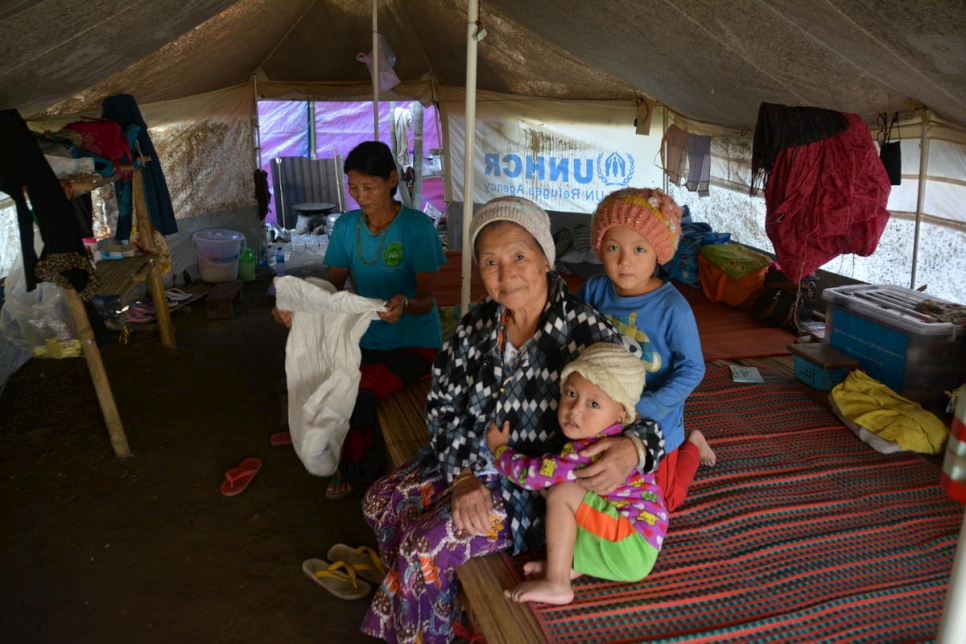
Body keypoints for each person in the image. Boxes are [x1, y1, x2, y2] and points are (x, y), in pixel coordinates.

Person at [360, 196, 660, 644]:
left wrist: (632, 449)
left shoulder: (587, 331)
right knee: (380, 501)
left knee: (426, 545)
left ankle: (426, 629)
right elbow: (442, 402)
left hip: (534, 487)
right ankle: (425, 606)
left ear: (544, 258)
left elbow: (644, 415)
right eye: (490, 262)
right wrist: (462, 476)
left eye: (519, 256)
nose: (506, 274)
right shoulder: (478, 324)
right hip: (469, 459)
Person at [272, 140, 446, 499]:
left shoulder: (417, 228)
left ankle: (361, 477)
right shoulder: (347, 226)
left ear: (392, 180)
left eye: (370, 187)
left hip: (415, 344)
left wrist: (404, 302)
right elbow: (331, 287)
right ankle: (333, 449)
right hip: (365, 338)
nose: (360, 196)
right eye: (353, 187)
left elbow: (427, 300)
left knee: (358, 395)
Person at [485, 342, 667, 606]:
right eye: (571, 393)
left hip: (632, 546)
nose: (575, 409)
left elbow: (530, 475)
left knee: (561, 493)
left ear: (622, 415)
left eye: (593, 403)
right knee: (578, 497)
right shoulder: (611, 438)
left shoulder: (585, 453)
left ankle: (557, 583)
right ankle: (572, 566)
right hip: (639, 542)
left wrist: (500, 450)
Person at [577, 187, 716, 513]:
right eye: (613, 248)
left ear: (659, 253)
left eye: (639, 249)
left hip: (657, 418)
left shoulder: (673, 308)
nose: (625, 262)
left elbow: (693, 368)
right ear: (599, 249)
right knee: (593, 484)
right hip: (603, 412)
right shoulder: (594, 290)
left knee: (662, 502)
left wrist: (649, 406)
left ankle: (692, 444)